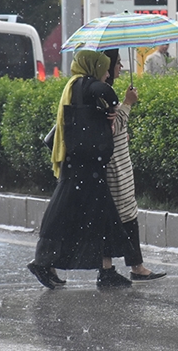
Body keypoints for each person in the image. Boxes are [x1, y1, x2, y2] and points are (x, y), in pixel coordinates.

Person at [27, 50, 136, 290]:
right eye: (104, 69)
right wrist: (115, 105)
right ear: (93, 67)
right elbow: (103, 90)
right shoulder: (84, 84)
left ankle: (105, 270)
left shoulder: (76, 86)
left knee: (100, 217)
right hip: (83, 167)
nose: (107, 74)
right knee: (65, 216)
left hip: (85, 166)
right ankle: (44, 262)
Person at [103, 49, 167, 282]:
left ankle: (132, 266)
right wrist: (128, 103)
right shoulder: (101, 92)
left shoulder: (104, 90)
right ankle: (115, 268)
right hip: (115, 166)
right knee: (120, 215)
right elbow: (111, 128)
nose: (121, 67)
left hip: (121, 161)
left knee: (127, 213)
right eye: (117, 63)